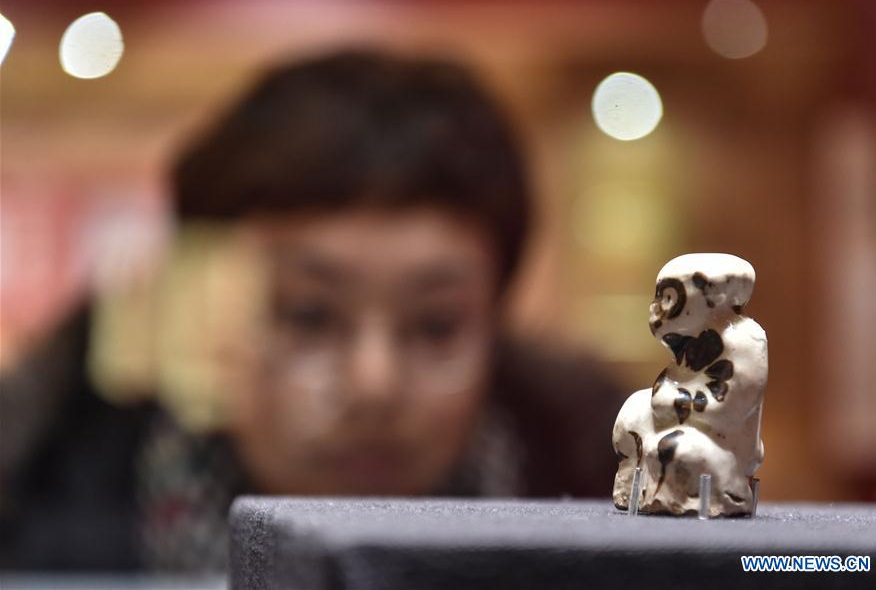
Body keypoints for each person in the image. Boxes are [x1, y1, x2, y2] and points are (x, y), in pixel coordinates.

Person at [0, 50, 623, 571]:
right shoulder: (37, 506)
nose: (373, 385)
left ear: (494, 321)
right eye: (308, 316)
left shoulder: (622, 514)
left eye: (435, 325)